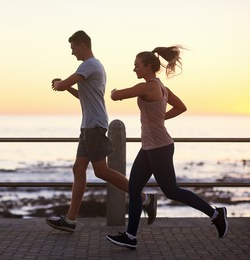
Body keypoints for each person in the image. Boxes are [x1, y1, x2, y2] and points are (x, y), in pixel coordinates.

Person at [106, 46, 228, 249]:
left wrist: (113, 91)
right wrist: (160, 117)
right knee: (134, 189)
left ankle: (216, 214)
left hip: (159, 148)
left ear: (147, 67)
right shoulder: (162, 88)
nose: (134, 69)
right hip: (150, 147)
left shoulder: (148, 87)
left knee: (172, 191)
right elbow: (181, 107)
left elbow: (116, 96)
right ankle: (130, 236)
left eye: (137, 65)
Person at [45, 30, 157, 232]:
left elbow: (61, 85)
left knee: (101, 171)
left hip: (95, 126)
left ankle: (144, 199)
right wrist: (67, 87)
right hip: (89, 125)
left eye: (73, 48)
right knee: (78, 169)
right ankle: (70, 220)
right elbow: (83, 96)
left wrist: (57, 83)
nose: (72, 53)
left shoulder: (89, 65)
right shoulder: (93, 67)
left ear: (82, 45)